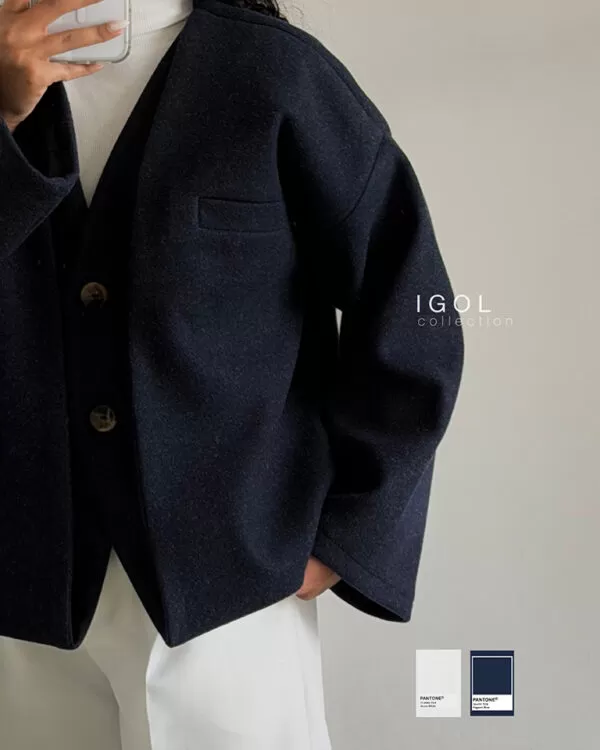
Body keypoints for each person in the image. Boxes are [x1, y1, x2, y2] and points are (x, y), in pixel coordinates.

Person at [0, 0, 464, 748]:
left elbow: (414, 306)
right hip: (21, 600)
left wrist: (350, 530)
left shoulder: (273, 74)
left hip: (231, 600)